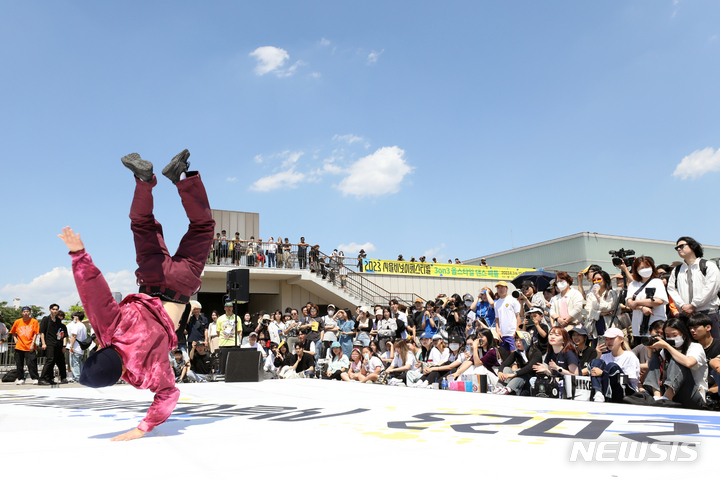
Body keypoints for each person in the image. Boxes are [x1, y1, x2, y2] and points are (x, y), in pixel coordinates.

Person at [60, 149, 215, 441]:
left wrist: (143, 427)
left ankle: (182, 176)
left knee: (203, 227)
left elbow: (168, 394)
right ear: (99, 351)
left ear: (118, 377)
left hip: (181, 286)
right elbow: (94, 293)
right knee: (142, 224)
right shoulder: (108, 331)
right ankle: (144, 180)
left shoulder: (146, 373)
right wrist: (79, 255)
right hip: (151, 276)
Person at [640, 317, 708, 408]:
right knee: (655, 358)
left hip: (693, 394)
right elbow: (651, 366)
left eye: (674, 335)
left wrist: (668, 347)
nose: (671, 338)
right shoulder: (664, 350)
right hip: (674, 395)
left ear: (683, 334)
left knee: (678, 359)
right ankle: (657, 397)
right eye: (668, 336)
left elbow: (689, 363)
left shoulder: (695, 347)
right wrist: (651, 350)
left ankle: (666, 399)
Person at [667, 236, 720, 339]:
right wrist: (683, 306)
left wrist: (693, 305)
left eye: (681, 246)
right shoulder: (676, 270)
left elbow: (711, 288)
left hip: (707, 313)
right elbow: (671, 289)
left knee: (713, 349)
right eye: (676, 247)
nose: (678, 249)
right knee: (688, 349)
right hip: (685, 315)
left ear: (692, 246)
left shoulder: (708, 266)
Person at [620, 256, 668, 344]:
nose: (645, 269)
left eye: (647, 267)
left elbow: (659, 301)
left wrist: (637, 302)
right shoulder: (633, 284)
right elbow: (629, 303)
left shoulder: (657, 282)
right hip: (638, 327)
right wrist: (642, 308)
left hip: (656, 325)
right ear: (636, 270)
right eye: (642, 267)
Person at [588, 328, 640, 402]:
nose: (608, 342)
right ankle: (598, 393)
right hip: (607, 388)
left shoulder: (629, 356)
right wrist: (598, 356)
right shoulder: (604, 356)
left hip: (626, 391)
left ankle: (603, 394)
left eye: (611, 339)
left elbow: (629, 379)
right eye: (606, 339)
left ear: (621, 339)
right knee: (596, 362)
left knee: (612, 366)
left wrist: (603, 373)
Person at [493, 331, 543, 395]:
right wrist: (500, 372)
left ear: (527, 341)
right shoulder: (516, 353)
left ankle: (508, 389)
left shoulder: (536, 353)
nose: (518, 343)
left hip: (532, 381)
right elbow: (504, 364)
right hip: (520, 379)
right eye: (516, 340)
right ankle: (499, 387)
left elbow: (530, 367)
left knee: (520, 371)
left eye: (520, 340)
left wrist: (514, 374)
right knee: (506, 369)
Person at [485, 281, 521, 352]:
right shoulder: (496, 303)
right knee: (505, 357)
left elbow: (518, 316)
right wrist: (498, 332)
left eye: (502, 288)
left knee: (514, 356)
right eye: (498, 288)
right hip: (502, 335)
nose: (500, 290)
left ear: (507, 289)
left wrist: (517, 331)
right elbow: (497, 320)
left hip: (512, 333)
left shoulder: (513, 300)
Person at [687, 313, 720, 388]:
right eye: (690, 328)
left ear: (708, 327)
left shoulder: (718, 345)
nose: (692, 330)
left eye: (695, 327)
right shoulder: (691, 348)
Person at [583, 270, 617, 343]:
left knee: (608, 344)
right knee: (598, 345)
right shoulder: (591, 294)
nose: (596, 282)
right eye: (594, 280)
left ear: (606, 280)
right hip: (595, 323)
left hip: (608, 323)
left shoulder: (611, 293)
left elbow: (608, 308)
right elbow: (588, 309)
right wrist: (600, 314)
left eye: (599, 279)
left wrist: (598, 296)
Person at [38, 303, 68, 385]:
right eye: (53, 309)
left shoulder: (58, 321)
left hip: (57, 343)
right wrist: (43, 343)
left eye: (56, 309)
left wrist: (63, 345)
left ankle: (49, 378)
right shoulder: (46, 319)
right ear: (50, 310)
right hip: (49, 343)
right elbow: (42, 332)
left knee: (54, 361)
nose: (55, 311)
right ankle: (42, 378)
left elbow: (60, 333)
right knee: (50, 360)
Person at [9, 306, 40, 385]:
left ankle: (35, 378)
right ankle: (21, 378)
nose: (26, 313)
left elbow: (36, 333)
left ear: (30, 312)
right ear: (22, 313)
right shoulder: (17, 321)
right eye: (24, 311)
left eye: (27, 311)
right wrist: (15, 339)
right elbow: (13, 331)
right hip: (19, 346)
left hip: (30, 346)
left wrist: (33, 344)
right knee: (19, 363)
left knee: (32, 363)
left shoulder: (34, 321)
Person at [66, 311, 88, 382]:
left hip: (76, 347)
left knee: (74, 363)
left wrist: (71, 346)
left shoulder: (76, 325)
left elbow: (74, 336)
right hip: (81, 348)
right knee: (80, 363)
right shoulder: (83, 326)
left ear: (76, 318)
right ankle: (81, 377)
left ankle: (77, 378)